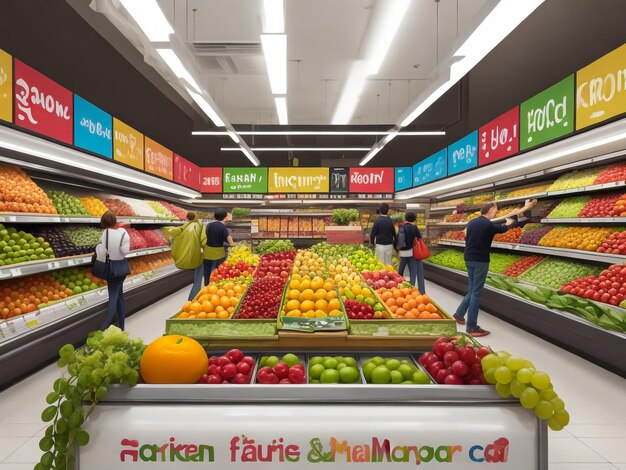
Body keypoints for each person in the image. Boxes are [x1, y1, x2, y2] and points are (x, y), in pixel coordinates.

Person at [454, 199, 537, 337]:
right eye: (495, 210)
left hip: (468, 258)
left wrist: (523, 208)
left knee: (472, 289)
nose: (496, 212)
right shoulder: (488, 225)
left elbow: (465, 234)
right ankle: (472, 326)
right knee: (476, 292)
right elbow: (505, 228)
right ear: (491, 210)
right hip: (480, 260)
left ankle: (459, 314)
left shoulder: (472, 222)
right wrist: (511, 221)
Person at [98, 211, 130, 330]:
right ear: (115, 221)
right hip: (121, 269)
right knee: (119, 298)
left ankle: (103, 328)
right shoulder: (123, 233)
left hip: (110, 269)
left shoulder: (104, 233)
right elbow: (125, 251)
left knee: (113, 297)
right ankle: (121, 327)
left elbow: (103, 250)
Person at [167, 212, 204, 301]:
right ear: (195, 217)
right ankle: (194, 299)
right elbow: (202, 241)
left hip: (184, 255)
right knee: (198, 279)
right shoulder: (197, 226)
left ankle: (192, 300)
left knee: (196, 279)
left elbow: (171, 237)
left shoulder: (182, 227)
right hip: (197, 255)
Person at [201, 209, 235, 285]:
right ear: (225, 217)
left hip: (207, 252)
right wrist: (233, 245)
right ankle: (216, 286)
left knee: (207, 271)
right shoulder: (222, 227)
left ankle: (206, 286)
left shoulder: (208, 225)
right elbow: (228, 238)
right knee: (218, 272)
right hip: (218, 253)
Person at [396, 211, 426, 294]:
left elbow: (398, 240)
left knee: (400, 272)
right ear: (414, 219)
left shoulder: (402, 227)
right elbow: (419, 239)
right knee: (413, 272)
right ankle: (411, 290)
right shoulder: (414, 227)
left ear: (405, 218)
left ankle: (398, 288)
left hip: (403, 253)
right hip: (412, 253)